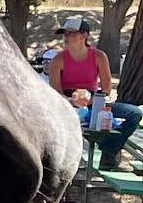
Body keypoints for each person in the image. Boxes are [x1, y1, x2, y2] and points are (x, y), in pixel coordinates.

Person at [46, 16, 142, 168]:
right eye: (65, 34)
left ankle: (109, 149)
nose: (66, 37)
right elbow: (54, 92)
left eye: (71, 33)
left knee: (134, 113)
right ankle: (106, 150)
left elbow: (106, 89)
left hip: (95, 100)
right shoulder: (58, 60)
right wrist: (71, 101)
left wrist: (91, 100)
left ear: (84, 36)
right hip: (66, 103)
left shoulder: (99, 56)